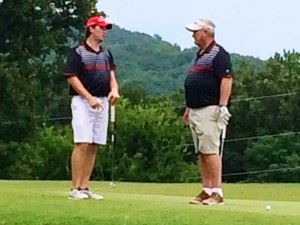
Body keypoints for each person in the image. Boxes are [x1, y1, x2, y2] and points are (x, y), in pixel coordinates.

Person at [64, 13, 120, 200]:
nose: (104, 31)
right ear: (91, 28)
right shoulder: (78, 52)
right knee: (82, 142)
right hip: (83, 102)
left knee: (95, 144)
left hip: (102, 101)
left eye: (104, 28)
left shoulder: (106, 54)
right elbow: (72, 78)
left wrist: (114, 90)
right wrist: (88, 98)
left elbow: (112, 77)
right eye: (101, 28)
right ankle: (75, 188)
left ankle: (85, 186)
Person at [182, 18, 233, 205]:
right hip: (195, 109)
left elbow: (226, 79)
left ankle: (217, 191)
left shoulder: (218, 54)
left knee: (211, 150)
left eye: (196, 32)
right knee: (201, 151)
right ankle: (206, 189)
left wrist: (222, 106)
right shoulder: (199, 54)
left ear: (206, 32)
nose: (193, 35)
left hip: (210, 109)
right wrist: (188, 108)